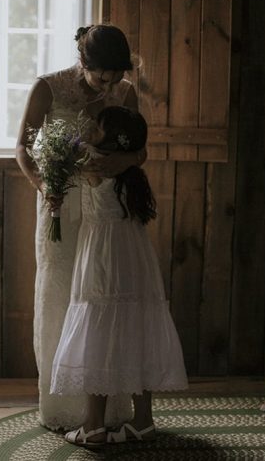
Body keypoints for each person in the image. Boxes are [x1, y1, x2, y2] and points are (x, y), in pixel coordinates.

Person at [15, 25, 145, 431]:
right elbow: (22, 145)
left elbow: (140, 147)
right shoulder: (48, 88)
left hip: (107, 208)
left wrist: (124, 162)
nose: (109, 84)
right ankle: (63, 407)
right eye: (101, 75)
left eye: (116, 75)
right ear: (82, 62)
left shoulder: (125, 92)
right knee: (60, 296)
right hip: (61, 204)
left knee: (104, 301)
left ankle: (108, 410)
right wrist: (44, 185)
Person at [50, 106, 188, 448]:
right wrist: (133, 154)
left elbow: (62, 155)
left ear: (108, 138)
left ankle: (93, 425)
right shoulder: (130, 169)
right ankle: (143, 420)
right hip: (134, 254)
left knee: (99, 329)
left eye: (96, 128)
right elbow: (136, 151)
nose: (90, 132)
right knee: (135, 327)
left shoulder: (95, 164)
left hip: (102, 254)